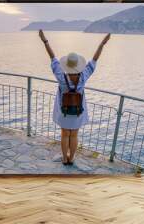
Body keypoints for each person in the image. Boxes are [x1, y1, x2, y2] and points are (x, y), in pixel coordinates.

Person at [39, 29, 111, 165]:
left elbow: (52, 58)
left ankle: (64, 158)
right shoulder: (83, 76)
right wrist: (102, 43)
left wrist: (45, 41)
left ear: (67, 65)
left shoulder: (61, 76)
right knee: (74, 135)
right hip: (78, 112)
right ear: (78, 66)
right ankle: (71, 158)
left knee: (65, 134)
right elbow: (94, 60)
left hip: (64, 112)